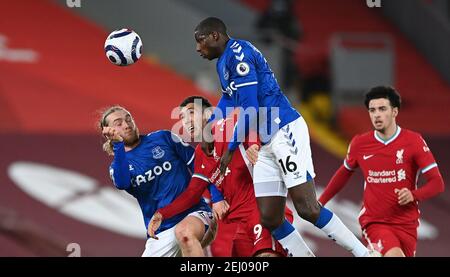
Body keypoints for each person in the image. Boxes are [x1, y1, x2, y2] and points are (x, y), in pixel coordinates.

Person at [193, 17, 370, 257]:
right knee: (270, 217)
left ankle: (365, 254)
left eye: (200, 40)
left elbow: (251, 108)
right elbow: (228, 98)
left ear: (215, 36)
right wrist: (211, 126)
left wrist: (231, 148)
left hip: (283, 129)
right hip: (265, 142)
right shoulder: (223, 62)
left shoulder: (239, 56)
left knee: (307, 208)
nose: (197, 48)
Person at [148, 96, 300, 257]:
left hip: (264, 210)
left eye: (191, 112)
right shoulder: (200, 154)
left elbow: (249, 121)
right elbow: (192, 193)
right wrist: (162, 214)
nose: (186, 121)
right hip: (243, 223)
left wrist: (253, 144)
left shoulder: (225, 127)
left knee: (267, 256)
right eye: (182, 117)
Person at [319, 86, 445, 257]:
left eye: (382, 109)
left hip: (407, 224)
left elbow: (437, 183)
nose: (376, 115)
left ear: (394, 112)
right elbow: (344, 172)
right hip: (375, 222)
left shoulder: (413, 141)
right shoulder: (360, 143)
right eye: (372, 110)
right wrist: (320, 202)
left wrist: (413, 194)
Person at [99, 105, 216, 257]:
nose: (127, 125)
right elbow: (122, 183)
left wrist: (218, 198)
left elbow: (201, 167)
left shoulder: (164, 138)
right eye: (118, 123)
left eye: (129, 119)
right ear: (109, 132)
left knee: (185, 235)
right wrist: (118, 145)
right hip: (161, 230)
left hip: (195, 214)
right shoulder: (117, 167)